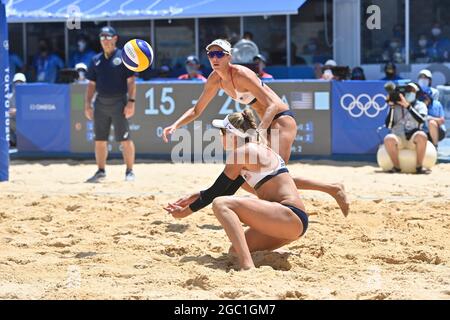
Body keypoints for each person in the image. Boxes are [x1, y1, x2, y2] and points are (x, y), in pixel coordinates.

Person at [162, 39, 349, 216]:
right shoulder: (214, 79)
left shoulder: (242, 74)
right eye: (211, 54)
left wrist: (260, 131)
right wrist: (175, 125)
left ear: (229, 56)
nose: (215, 58)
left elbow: (273, 104)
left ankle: (329, 190)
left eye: (219, 54)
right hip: (266, 123)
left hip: (281, 120)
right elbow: (196, 110)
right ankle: (322, 191)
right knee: (248, 178)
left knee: (274, 174)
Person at [164, 110, 313, 270]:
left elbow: (217, 194)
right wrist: (196, 196)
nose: (220, 137)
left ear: (233, 135)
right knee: (235, 251)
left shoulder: (243, 152)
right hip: (288, 223)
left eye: (222, 132)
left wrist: (185, 212)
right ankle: (271, 258)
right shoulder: (254, 150)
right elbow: (226, 190)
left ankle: (247, 266)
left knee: (221, 204)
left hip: (289, 215)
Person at [84, 26, 137, 183]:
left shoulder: (124, 57)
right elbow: (91, 85)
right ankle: (101, 171)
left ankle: (129, 171)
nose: (105, 40)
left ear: (115, 38)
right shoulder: (96, 60)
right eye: (102, 37)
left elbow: (132, 82)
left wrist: (131, 103)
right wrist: (87, 104)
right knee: (100, 140)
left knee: (125, 139)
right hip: (100, 103)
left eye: (108, 37)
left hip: (119, 102)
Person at [384, 82, 430, 174]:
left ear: (416, 93)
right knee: (388, 138)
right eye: (407, 90)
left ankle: (419, 167)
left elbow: (421, 120)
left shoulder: (420, 105)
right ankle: (396, 167)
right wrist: (392, 107)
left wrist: (408, 107)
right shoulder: (395, 105)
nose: (409, 92)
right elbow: (389, 126)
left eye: (411, 90)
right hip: (399, 138)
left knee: (422, 135)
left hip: (413, 139)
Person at [8, 73, 26, 147]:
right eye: (16, 82)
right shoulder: (10, 97)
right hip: (15, 123)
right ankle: (11, 141)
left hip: (27, 124)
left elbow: (31, 111)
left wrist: (17, 111)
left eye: (21, 82)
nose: (18, 84)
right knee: (4, 119)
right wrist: (8, 112)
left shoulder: (29, 95)